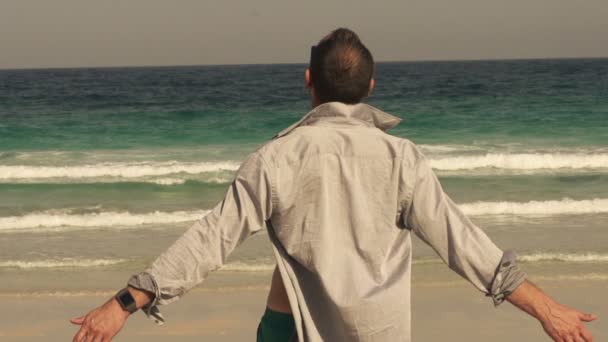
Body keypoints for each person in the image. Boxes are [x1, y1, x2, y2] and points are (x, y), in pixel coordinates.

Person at [71, 28, 597, 342]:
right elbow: (465, 244)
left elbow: (212, 238)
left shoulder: (275, 158)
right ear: (370, 85)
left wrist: (123, 303)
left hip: (291, 329)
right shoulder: (402, 159)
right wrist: (547, 310)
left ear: (308, 81)